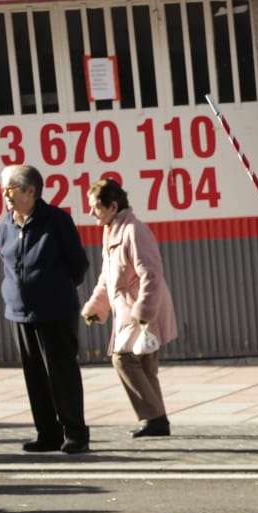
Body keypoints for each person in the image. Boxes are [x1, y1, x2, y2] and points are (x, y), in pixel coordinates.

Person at [0, 164, 91, 454]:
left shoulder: (56, 221)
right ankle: (47, 433)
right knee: (35, 376)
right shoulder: (5, 226)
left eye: (10, 188)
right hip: (19, 313)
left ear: (31, 191)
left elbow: (78, 264)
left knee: (61, 374)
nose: (5, 194)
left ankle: (75, 433)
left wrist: (54, 289)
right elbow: (6, 260)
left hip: (55, 311)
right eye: (3, 189)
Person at [80, 178, 178, 438]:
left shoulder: (133, 230)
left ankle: (154, 418)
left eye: (95, 207)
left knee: (123, 359)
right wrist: (95, 307)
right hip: (131, 311)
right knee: (144, 366)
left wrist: (144, 312)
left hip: (140, 312)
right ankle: (158, 421)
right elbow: (107, 278)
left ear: (112, 206)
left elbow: (151, 274)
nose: (91, 213)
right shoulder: (113, 230)